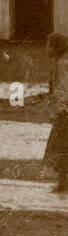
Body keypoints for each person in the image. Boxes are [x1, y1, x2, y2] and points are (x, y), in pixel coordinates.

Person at [44, 32, 68, 193]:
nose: (46, 48)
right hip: (63, 111)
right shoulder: (61, 63)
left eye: (48, 45)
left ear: (55, 47)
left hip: (64, 113)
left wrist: (59, 110)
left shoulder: (61, 65)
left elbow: (64, 89)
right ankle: (63, 183)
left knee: (60, 148)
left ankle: (63, 184)